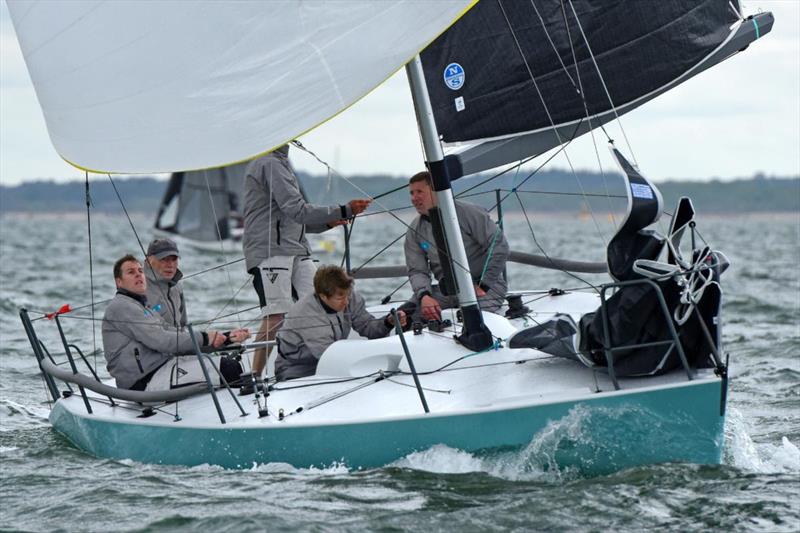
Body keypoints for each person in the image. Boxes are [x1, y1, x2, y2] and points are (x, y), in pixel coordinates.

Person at [243, 143, 371, 378]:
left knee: (319, 301)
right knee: (276, 314)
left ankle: (318, 360)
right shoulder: (269, 163)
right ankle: (253, 375)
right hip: (271, 251)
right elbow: (297, 210)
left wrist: (328, 223)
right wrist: (342, 210)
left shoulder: (281, 164)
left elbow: (293, 220)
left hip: (296, 250)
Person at [102, 254, 250, 391]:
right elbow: (162, 341)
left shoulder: (142, 307)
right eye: (131, 272)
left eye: (140, 271)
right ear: (119, 282)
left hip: (161, 368)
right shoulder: (121, 306)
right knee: (229, 368)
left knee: (228, 365)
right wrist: (205, 337)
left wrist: (225, 339)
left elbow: (175, 335)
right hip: (144, 382)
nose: (138, 274)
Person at [403, 171, 509, 322]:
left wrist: (484, 285)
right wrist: (424, 296)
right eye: (411, 193)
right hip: (447, 291)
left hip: (485, 288)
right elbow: (417, 270)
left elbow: (499, 247)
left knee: (472, 318)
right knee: (407, 317)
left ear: (436, 191)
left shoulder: (469, 213)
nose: (414, 198)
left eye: (420, 191)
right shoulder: (415, 230)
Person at [275, 265, 406, 381]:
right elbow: (328, 355)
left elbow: (368, 327)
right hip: (297, 372)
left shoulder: (349, 297)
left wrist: (388, 322)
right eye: (340, 297)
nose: (346, 302)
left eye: (347, 295)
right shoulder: (306, 313)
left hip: (331, 367)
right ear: (323, 296)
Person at [145, 238, 186, 328]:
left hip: (177, 340)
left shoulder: (177, 287)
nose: (170, 265)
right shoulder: (139, 288)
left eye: (174, 259)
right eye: (164, 259)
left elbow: (184, 326)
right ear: (148, 261)